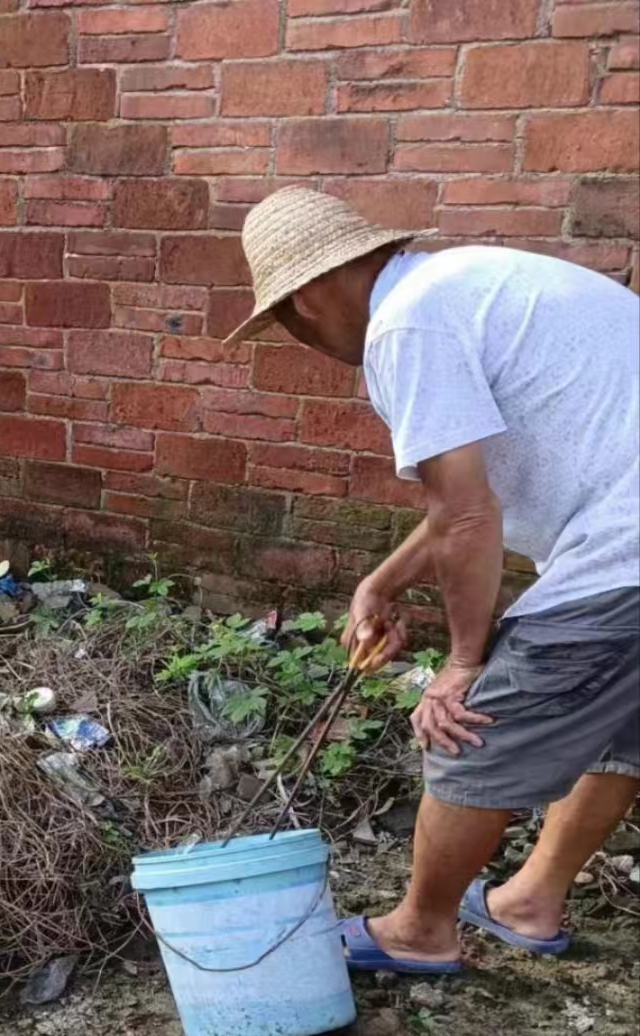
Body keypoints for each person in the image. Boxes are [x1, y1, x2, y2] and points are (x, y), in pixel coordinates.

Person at [226, 187, 639, 973]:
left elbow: (467, 514)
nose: (301, 336)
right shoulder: (463, 286)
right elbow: (467, 499)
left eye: (285, 319)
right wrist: (382, 581)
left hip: (623, 556)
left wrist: (460, 664)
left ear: (310, 295)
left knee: (468, 732)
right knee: (620, 726)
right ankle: (528, 900)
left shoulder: (408, 323)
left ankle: (420, 932)